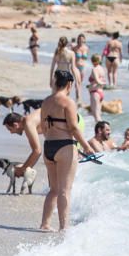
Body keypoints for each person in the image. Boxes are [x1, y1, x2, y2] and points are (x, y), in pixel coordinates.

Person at [40, 69, 94, 231]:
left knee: (54, 190)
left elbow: (43, 127)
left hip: (49, 146)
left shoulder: (46, 101)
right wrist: (86, 146)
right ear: (69, 84)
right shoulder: (68, 102)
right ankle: (64, 227)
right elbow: (73, 127)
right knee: (65, 190)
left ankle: (45, 224)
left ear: (56, 82)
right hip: (65, 147)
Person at [2, 109, 42, 185]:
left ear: (15, 125)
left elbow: (37, 151)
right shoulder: (30, 120)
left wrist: (22, 169)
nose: (11, 133)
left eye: (10, 129)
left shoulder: (28, 123)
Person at [50, 37, 81, 103]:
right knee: (65, 98)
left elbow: (52, 67)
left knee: (54, 98)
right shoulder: (71, 53)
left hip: (57, 75)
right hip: (66, 75)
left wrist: (50, 79)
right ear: (67, 43)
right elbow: (73, 68)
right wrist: (76, 81)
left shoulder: (57, 51)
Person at [86, 54, 106, 123]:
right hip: (100, 92)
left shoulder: (94, 69)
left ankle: (101, 130)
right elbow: (101, 80)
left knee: (96, 115)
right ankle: (99, 129)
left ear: (93, 61)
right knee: (98, 114)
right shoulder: (102, 68)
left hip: (95, 93)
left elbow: (97, 80)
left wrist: (103, 84)